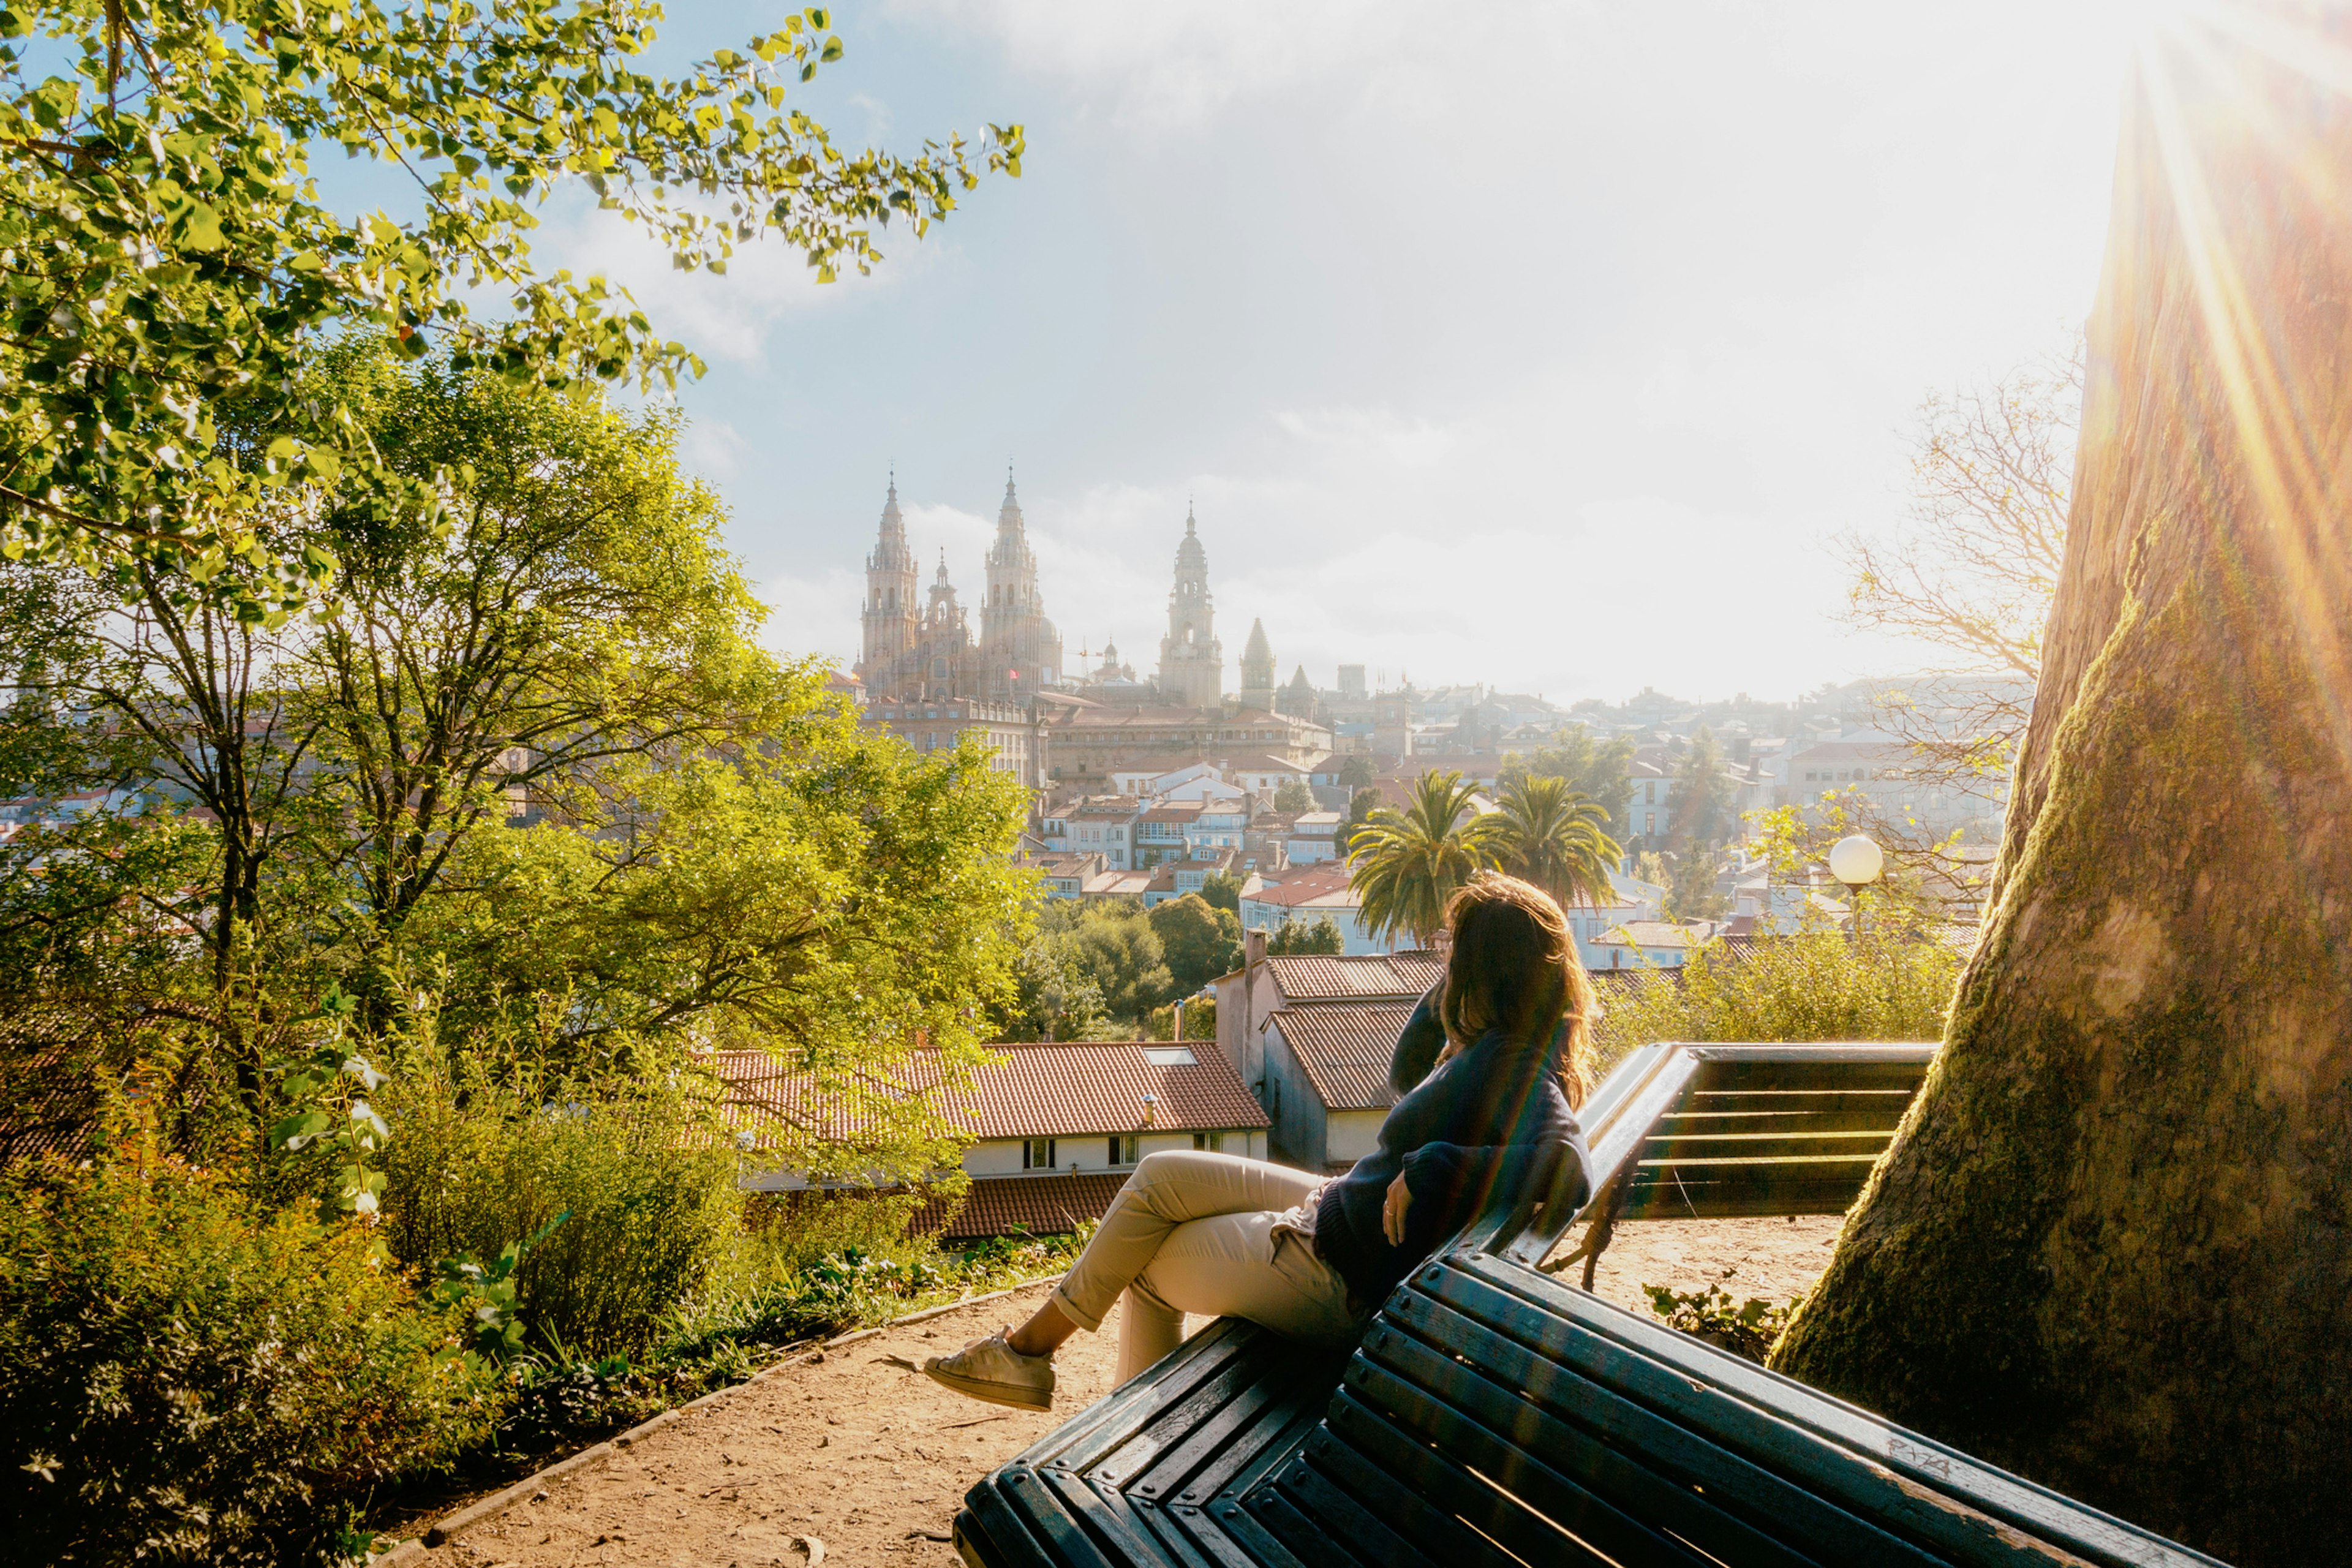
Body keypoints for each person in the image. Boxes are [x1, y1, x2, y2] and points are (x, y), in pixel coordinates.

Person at [923, 870, 1595, 1411]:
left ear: (1488, 972)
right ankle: (1026, 1354)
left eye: (1457, 951)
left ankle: (1118, 1442)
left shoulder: (1508, 1061)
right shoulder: (1494, 1043)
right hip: (1339, 1212)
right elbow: (1403, 1072)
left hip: (1335, 1273)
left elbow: (1569, 1168)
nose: (1444, 957)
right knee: (1161, 1175)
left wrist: (1437, 1164)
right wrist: (1455, 988)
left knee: (1146, 1269)